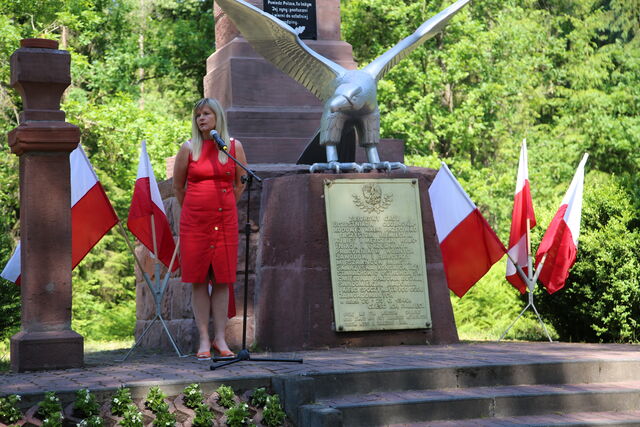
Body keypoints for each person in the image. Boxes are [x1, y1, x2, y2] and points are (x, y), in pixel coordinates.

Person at [173, 98, 247, 360]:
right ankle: (204, 338)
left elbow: (241, 182)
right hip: (195, 223)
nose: (201, 118)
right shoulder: (188, 149)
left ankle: (220, 338)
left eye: (206, 114)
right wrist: (194, 209)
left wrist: (225, 204)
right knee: (199, 280)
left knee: (223, 280)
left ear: (218, 117)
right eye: (198, 115)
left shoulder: (233, 147)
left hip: (225, 221)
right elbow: (178, 187)